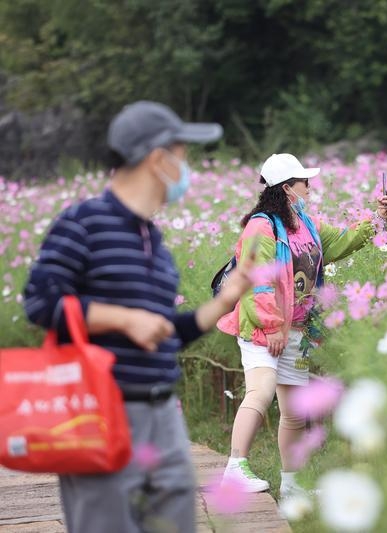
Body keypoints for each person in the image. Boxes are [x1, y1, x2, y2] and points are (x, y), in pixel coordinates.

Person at [23, 101, 254, 533]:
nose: (188, 169)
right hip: (100, 412)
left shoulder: (153, 239)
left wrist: (226, 301)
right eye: (183, 156)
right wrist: (122, 318)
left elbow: (161, 336)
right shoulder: (83, 223)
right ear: (158, 159)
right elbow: (39, 300)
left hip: (162, 412)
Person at [217, 153, 387, 496]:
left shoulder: (305, 225)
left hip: (296, 330)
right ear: (286, 189)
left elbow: (342, 240)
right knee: (261, 390)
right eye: (304, 182)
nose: (310, 187)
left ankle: (292, 486)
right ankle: (234, 468)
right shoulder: (260, 227)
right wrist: (271, 328)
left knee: (294, 411)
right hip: (262, 329)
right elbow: (256, 281)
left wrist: (379, 218)